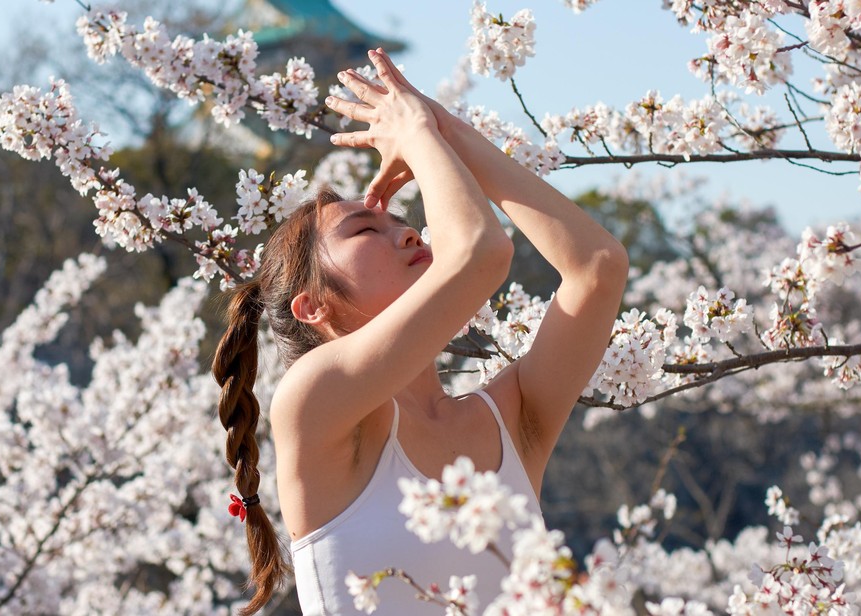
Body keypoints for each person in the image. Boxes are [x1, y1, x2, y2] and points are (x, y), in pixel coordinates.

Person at [212, 48, 628, 615]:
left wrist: (441, 129)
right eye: (365, 230)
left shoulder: (509, 421)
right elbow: (480, 251)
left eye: (406, 225)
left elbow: (598, 267)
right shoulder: (315, 402)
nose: (410, 237)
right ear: (313, 307)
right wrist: (415, 131)